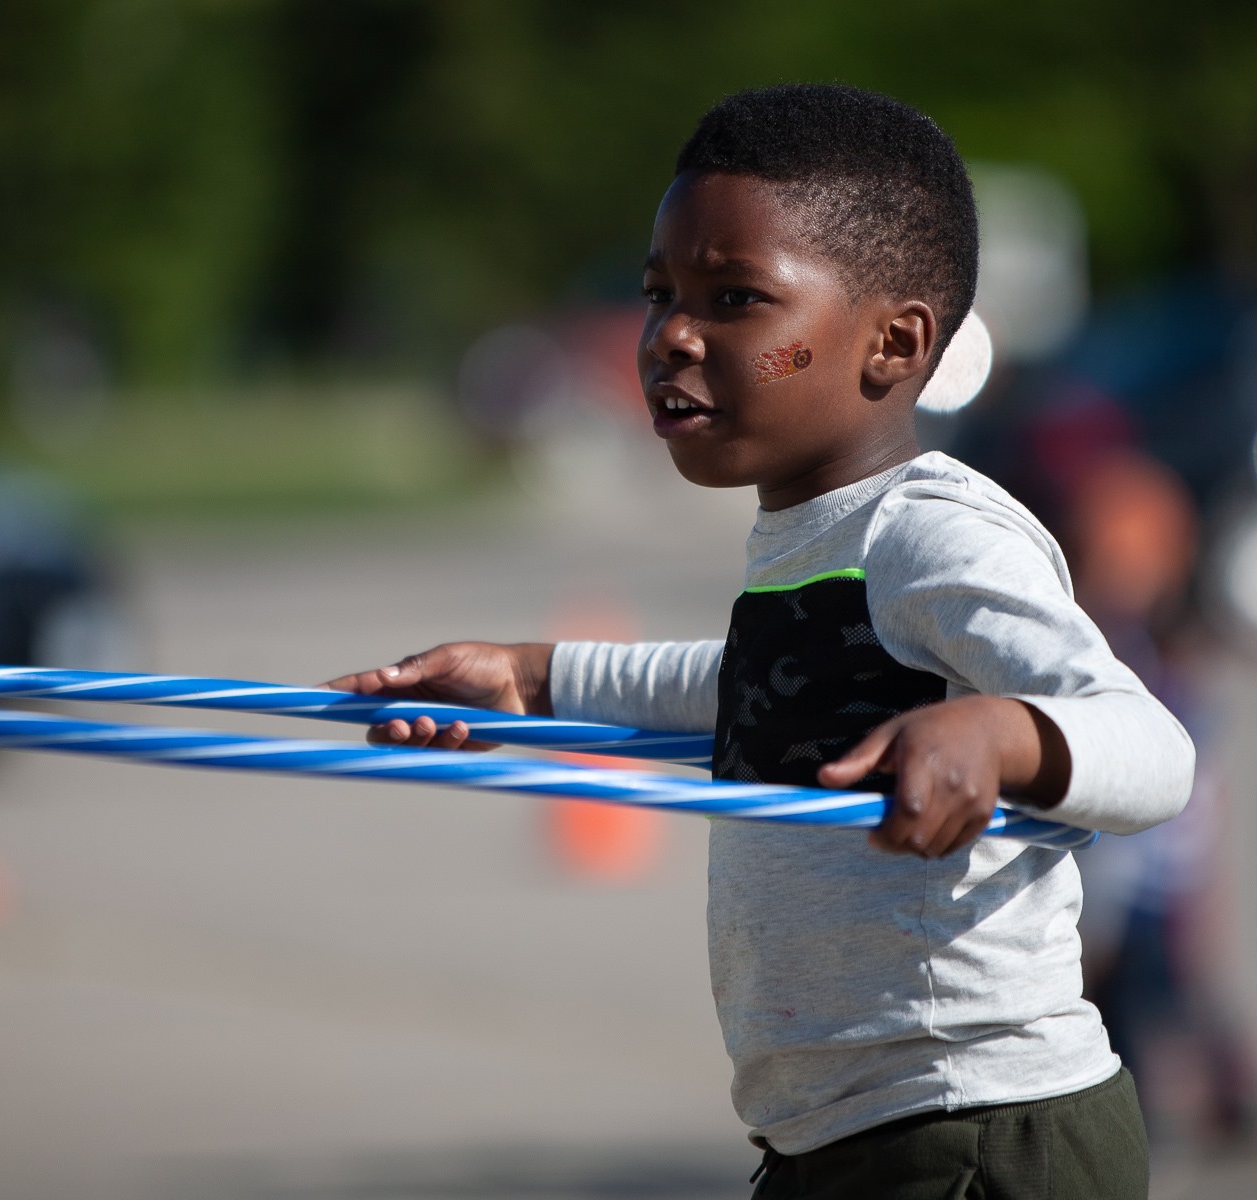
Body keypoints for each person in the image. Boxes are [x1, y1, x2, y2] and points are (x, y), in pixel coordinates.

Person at [327, 85, 1194, 1199]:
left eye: (734, 299)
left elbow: (1151, 747)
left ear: (892, 342)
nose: (671, 335)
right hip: (844, 1133)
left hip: (975, 1132)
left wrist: (994, 733)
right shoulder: (810, 531)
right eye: (659, 294)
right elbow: (764, 689)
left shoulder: (931, 534)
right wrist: (530, 679)